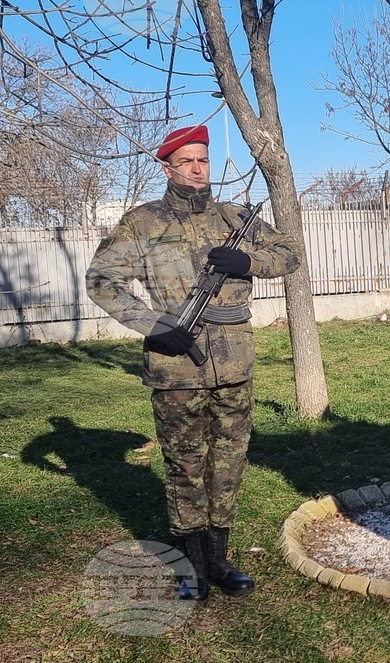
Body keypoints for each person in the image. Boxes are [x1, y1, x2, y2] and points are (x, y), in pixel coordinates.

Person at [86, 125, 301, 601]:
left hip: (234, 362)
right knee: (185, 465)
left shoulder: (234, 217)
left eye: (203, 160)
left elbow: (290, 253)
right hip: (176, 364)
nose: (197, 169)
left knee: (228, 462)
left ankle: (220, 561)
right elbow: (102, 281)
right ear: (167, 167)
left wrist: (246, 261)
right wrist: (153, 323)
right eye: (186, 161)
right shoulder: (142, 222)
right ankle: (192, 567)